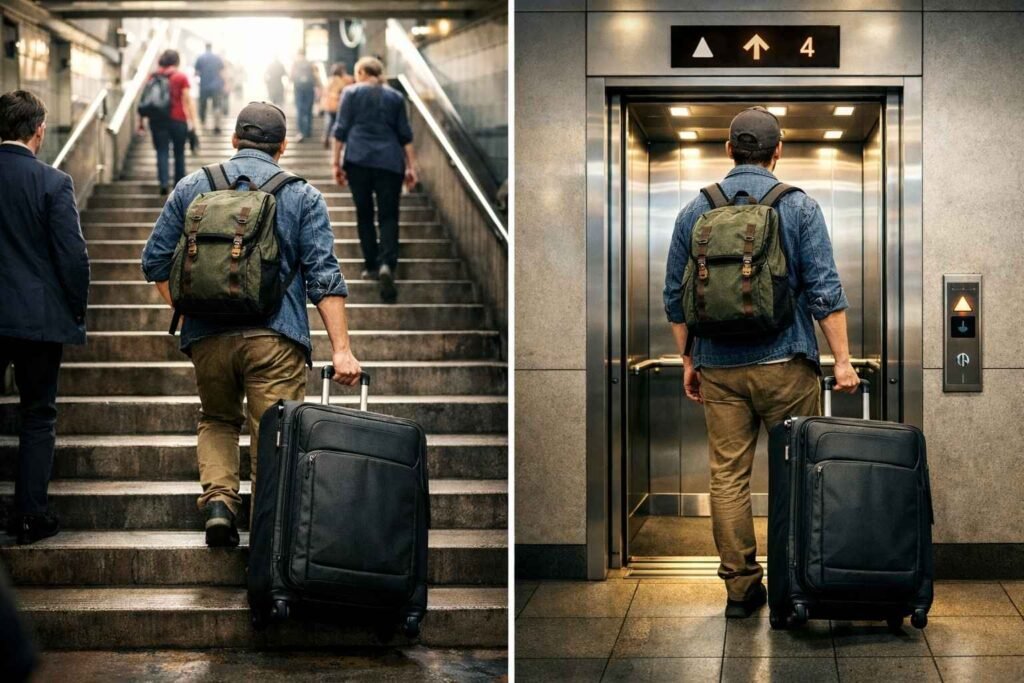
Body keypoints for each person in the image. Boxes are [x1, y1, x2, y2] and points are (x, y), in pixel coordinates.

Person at [663, 106, 859, 618]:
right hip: (787, 365)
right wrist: (841, 362)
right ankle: (795, 584)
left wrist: (688, 359)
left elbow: (673, 298)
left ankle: (741, 590)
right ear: (778, 151)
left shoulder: (693, 210)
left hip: (719, 370)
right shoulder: (799, 208)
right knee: (798, 472)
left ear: (728, 150)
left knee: (727, 477)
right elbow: (825, 292)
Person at [141, 102, 362, 547]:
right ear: (282, 146)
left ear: (234, 140)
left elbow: (154, 262)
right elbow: (323, 276)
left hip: (208, 336)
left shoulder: (193, 185)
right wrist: (341, 349)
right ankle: (268, 532)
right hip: (276, 338)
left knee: (218, 418)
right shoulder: (303, 195)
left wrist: (188, 308)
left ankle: (220, 503)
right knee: (275, 434)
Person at [0, 90, 90, 545]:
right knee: (37, 415)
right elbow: (72, 258)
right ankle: (30, 515)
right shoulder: (53, 183)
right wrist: (73, 309)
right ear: (38, 130)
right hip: (37, 319)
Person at [332, 57, 418, 303]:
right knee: (389, 214)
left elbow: (341, 130)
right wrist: (411, 167)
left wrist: (335, 163)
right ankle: (387, 264)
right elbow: (405, 135)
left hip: (358, 159)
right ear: (379, 73)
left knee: (364, 213)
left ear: (360, 72)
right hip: (390, 162)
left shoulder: (350, 93)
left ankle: (371, 265)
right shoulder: (395, 97)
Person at [138, 49, 197, 195]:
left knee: (161, 151)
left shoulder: (152, 76)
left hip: (157, 120)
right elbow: (187, 100)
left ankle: (163, 183)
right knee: (179, 153)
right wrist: (193, 121)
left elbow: (145, 99)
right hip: (178, 120)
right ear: (177, 61)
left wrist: (140, 121)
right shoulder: (180, 77)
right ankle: (179, 186)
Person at [319, 62, 353, 149]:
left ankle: (326, 138)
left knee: (329, 122)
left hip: (329, 105)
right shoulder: (343, 80)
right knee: (337, 124)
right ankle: (335, 140)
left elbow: (324, 93)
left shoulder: (329, 80)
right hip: (338, 105)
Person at [194, 43, 226, 134]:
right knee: (217, 106)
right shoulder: (217, 58)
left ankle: (203, 124)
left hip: (204, 85)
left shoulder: (200, 58)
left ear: (205, 47)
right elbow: (222, 71)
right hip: (216, 86)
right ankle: (217, 126)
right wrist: (224, 83)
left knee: (202, 105)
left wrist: (198, 81)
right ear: (212, 47)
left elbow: (196, 73)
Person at [290, 51, 320, 142]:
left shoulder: (295, 63)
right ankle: (308, 131)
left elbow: (291, 77)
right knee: (309, 110)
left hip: (298, 89)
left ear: (298, 55)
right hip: (309, 88)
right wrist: (318, 87)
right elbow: (316, 75)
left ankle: (300, 132)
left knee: (300, 110)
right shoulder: (311, 63)